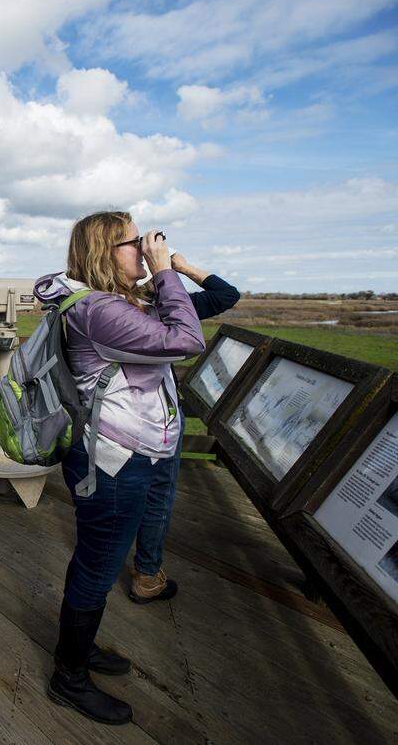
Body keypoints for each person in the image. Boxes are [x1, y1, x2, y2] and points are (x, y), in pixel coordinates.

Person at [32, 211, 204, 724]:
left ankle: (79, 650)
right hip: (112, 459)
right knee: (98, 564)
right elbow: (187, 341)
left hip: (122, 451)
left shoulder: (109, 302)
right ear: (108, 251)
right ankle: (69, 677)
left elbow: (211, 305)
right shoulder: (99, 310)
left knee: (97, 560)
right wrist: (166, 273)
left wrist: (179, 271)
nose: (147, 248)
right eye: (135, 242)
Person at [129, 254, 240, 604]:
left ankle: (115, 560)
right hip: (158, 419)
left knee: (118, 492)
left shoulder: (108, 308)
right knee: (158, 496)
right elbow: (226, 295)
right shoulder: (168, 311)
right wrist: (176, 267)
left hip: (116, 418)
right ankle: (147, 575)